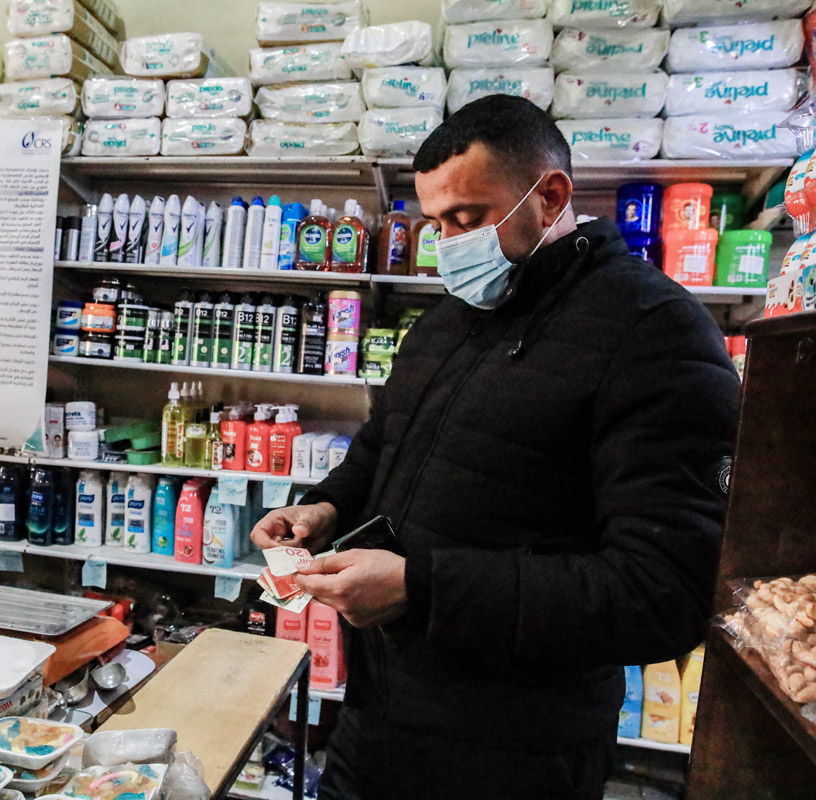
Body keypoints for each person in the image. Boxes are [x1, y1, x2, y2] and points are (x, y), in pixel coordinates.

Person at [251, 95, 740, 799]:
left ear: (550, 196)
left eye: (468, 219)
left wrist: (419, 587)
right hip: (379, 721)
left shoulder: (654, 332)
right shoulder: (448, 321)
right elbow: (384, 446)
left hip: (517, 754)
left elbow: (664, 593)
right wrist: (323, 507)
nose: (449, 245)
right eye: (436, 223)